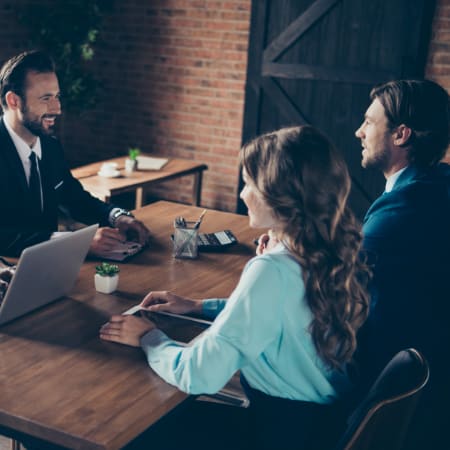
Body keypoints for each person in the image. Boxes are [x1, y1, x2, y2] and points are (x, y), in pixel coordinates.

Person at [100, 125, 370, 450]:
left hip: (275, 435)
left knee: (128, 436)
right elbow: (281, 316)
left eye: (249, 183)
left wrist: (148, 337)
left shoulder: (273, 270)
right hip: (319, 426)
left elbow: (200, 375)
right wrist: (199, 306)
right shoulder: (327, 248)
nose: (242, 194)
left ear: (280, 195)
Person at [354, 79, 450, 448]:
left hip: (376, 372)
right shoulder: (435, 182)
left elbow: (327, 293)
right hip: (426, 375)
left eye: (369, 122)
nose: (359, 131)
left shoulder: (399, 210)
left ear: (401, 134)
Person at [0, 50, 150, 257]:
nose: (57, 108)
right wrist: (76, 242)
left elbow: (76, 198)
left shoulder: (50, 147)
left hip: (51, 268)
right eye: (46, 98)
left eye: (57, 97)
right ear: (14, 101)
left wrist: (118, 217)